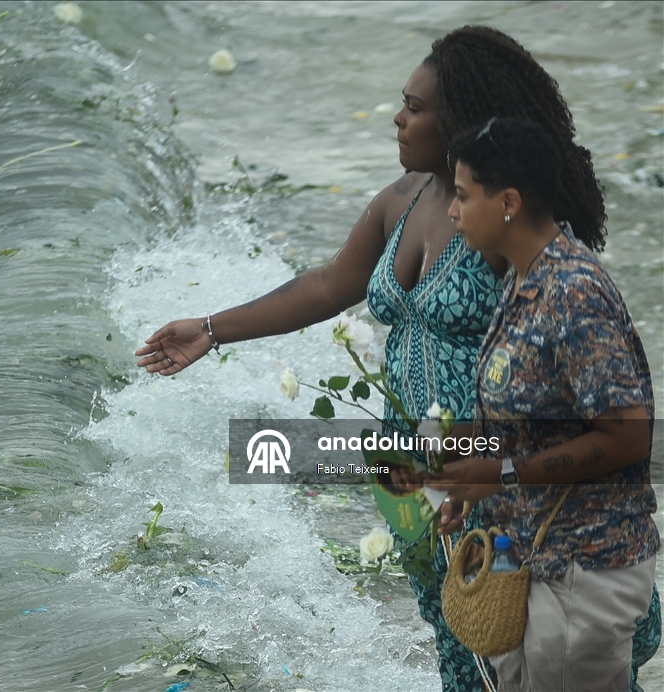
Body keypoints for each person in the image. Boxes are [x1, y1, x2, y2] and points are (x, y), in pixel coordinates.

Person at [135, 26, 659, 692]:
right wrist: (211, 329)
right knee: (459, 640)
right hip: (412, 467)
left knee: (544, 652)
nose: (398, 116)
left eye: (415, 107)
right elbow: (329, 283)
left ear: (461, 123)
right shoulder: (402, 199)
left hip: (500, 480)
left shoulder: (509, 226)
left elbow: (587, 380)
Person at [428, 117, 659, 692]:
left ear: (508, 201)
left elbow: (629, 436)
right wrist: (462, 478)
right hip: (529, 558)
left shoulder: (573, 290)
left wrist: (500, 474)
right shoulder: (520, 279)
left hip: (584, 568)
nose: (452, 212)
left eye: (461, 195)